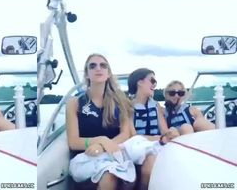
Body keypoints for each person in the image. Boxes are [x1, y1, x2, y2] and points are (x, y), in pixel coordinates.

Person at [66, 54, 133, 190]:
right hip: (86, 158)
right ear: (87, 74)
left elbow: (125, 134)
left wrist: (103, 146)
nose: (98, 68)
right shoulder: (75, 103)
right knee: (109, 175)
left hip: (112, 153)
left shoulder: (120, 101)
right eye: (92, 66)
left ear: (108, 74)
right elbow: (73, 142)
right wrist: (101, 140)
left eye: (103, 65)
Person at [128, 68, 180, 190]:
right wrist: (158, 139)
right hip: (137, 146)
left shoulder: (155, 105)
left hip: (157, 143)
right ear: (140, 82)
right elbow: (131, 136)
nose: (154, 85)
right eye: (152, 81)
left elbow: (164, 130)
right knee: (150, 164)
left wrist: (171, 133)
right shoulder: (128, 106)